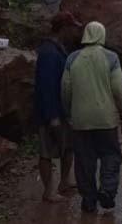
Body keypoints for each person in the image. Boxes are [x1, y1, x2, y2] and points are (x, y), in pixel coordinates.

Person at [61, 21, 122, 214]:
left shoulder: (72, 59)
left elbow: (65, 89)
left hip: (80, 121)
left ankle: (88, 200)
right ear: (102, 35)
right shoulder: (111, 58)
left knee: (84, 161)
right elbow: (118, 90)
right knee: (111, 155)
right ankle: (107, 190)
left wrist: (68, 113)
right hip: (106, 120)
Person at [34, 11, 83, 203]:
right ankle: (48, 191)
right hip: (50, 111)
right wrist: (52, 116)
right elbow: (45, 87)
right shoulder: (48, 52)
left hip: (63, 109)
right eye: (72, 28)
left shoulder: (59, 48)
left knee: (68, 147)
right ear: (63, 28)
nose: (74, 32)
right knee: (47, 151)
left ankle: (64, 181)